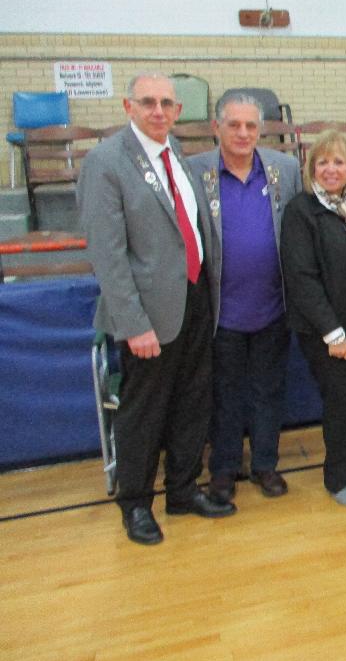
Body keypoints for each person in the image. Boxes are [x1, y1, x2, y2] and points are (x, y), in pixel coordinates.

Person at [77, 73, 234, 546]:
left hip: (195, 299)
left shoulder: (176, 156)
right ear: (128, 106)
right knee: (144, 413)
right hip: (147, 315)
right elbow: (108, 254)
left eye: (167, 102)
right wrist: (133, 324)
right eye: (148, 102)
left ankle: (183, 491)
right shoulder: (106, 162)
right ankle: (136, 505)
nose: (158, 110)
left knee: (192, 403)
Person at [188, 94, 302, 502]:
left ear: (261, 129)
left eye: (250, 126)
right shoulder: (194, 171)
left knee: (269, 392)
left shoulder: (285, 170)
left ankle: (266, 465)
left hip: (273, 308)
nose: (242, 133)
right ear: (216, 127)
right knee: (225, 395)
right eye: (233, 125)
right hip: (221, 313)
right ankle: (222, 469)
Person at [280, 131, 346, 507]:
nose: (331, 169)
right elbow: (302, 279)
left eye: (338, 162)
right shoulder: (301, 211)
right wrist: (332, 333)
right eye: (323, 162)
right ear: (312, 168)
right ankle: (337, 478)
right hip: (328, 328)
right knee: (342, 399)